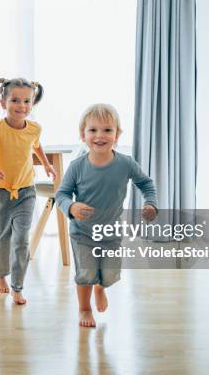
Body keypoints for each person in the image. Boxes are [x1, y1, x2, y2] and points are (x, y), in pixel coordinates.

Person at [55, 103, 158, 327]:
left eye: (107, 130)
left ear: (117, 135)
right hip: (82, 233)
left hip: (111, 232)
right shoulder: (77, 166)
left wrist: (150, 203)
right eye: (93, 130)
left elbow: (146, 183)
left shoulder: (126, 164)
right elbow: (61, 194)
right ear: (83, 135)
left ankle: (101, 287)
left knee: (110, 275)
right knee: (86, 272)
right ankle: (84, 308)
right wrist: (71, 208)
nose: (99, 136)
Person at [0, 78, 56, 305]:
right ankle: (0, 275)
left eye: (27, 101)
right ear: (2, 102)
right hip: (0, 194)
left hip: (26, 192)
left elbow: (36, 144)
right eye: (15, 100)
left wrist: (45, 164)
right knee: (1, 240)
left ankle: (17, 287)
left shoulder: (35, 128)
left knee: (21, 241)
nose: (21, 106)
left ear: (33, 102)